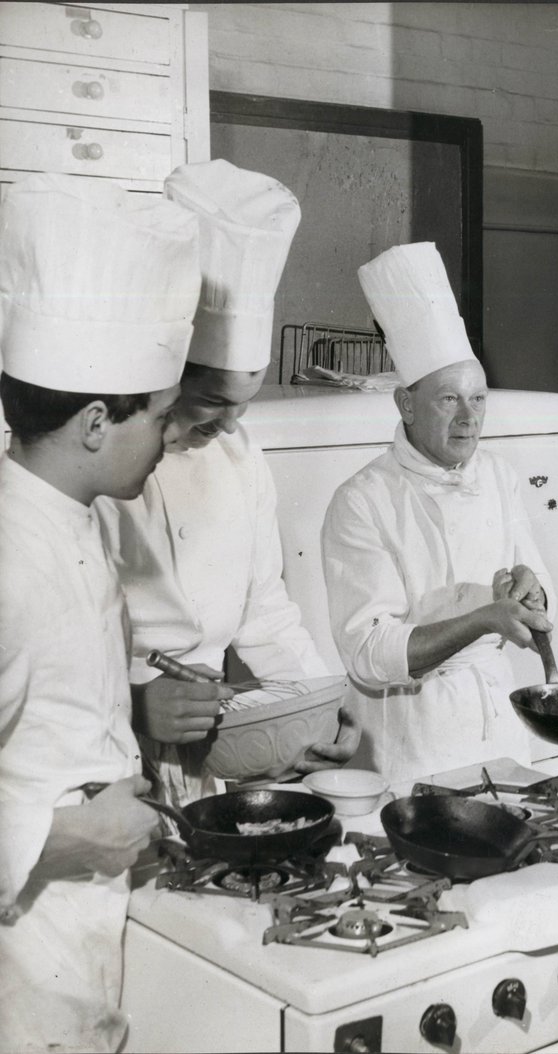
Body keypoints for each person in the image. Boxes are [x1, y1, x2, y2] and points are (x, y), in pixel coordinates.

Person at [0, 174, 199, 1052]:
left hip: (81, 929)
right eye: (158, 417)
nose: (168, 439)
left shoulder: (78, 523)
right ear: (92, 423)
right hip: (23, 951)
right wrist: (70, 839)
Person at [94, 159, 358, 809]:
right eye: (213, 401)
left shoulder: (239, 457)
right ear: (167, 373)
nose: (231, 425)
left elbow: (263, 607)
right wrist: (129, 701)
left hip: (203, 755)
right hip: (101, 757)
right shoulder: (96, 465)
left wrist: (323, 702)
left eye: (246, 401)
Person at [321, 242, 553, 785]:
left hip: (502, 735)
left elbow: (543, 599)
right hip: (413, 748)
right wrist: (482, 618)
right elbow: (369, 654)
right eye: (449, 399)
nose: (469, 418)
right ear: (405, 403)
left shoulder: (496, 474)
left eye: (479, 399)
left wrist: (530, 590)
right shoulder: (363, 499)